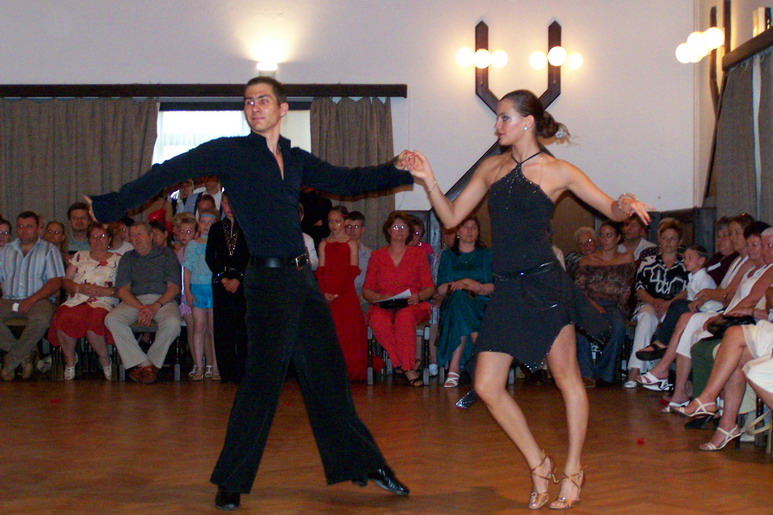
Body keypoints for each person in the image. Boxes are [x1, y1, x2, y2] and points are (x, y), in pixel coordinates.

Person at [85, 76, 413, 510]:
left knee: (329, 378)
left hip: (303, 281)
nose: (254, 107)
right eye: (248, 101)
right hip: (268, 282)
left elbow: (348, 181)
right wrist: (112, 204)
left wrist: (398, 168)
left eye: (263, 100)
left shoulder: (295, 159)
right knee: (261, 381)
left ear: (282, 109)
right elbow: (169, 171)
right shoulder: (231, 152)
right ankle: (232, 480)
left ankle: (364, 463)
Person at [407, 88, 652, 509]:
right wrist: (428, 179)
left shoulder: (558, 171)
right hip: (507, 289)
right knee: (486, 384)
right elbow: (450, 217)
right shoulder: (491, 168)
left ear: (528, 122)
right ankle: (539, 462)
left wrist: (626, 201)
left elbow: (611, 209)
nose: (497, 125)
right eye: (497, 117)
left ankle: (573, 469)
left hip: (546, 287)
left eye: (504, 117)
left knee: (567, 378)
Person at [362, 211, 435, 387]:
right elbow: (367, 290)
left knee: (405, 316)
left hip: (412, 305)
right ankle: (403, 363)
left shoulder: (418, 255)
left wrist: (418, 296)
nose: (400, 230)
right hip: (385, 304)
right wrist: (380, 297)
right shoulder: (377, 256)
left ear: (409, 231)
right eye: (396, 227)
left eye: (404, 227)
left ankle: (407, 368)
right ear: (388, 230)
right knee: (378, 320)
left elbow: (429, 287)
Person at [103, 222, 182, 384]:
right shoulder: (127, 258)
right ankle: (145, 364)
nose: (136, 238)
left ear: (151, 236)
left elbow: (174, 288)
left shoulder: (167, 255)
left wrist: (155, 306)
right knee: (112, 319)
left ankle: (146, 364)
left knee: (173, 323)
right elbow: (123, 290)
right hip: (135, 301)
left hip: (162, 300)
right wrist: (142, 308)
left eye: (140, 234)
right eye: (132, 235)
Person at [47, 223, 120, 380]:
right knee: (63, 315)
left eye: (102, 236)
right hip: (78, 298)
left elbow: (125, 287)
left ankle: (104, 359)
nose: (98, 240)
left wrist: (105, 291)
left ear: (109, 239)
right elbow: (65, 281)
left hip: (104, 300)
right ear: (88, 239)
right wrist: (78, 287)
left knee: (95, 319)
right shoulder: (80, 256)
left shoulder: (118, 259)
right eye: (94, 237)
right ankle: (70, 360)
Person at [0, 211, 65, 381]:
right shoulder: (6, 250)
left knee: (41, 320)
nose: (24, 230)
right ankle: (26, 354)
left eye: (29, 226)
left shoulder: (49, 250)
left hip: (39, 300)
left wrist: (32, 299)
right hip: (9, 299)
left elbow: (55, 282)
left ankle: (11, 361)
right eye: (20, 226)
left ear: (37, 229)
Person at [624, 219, 688, 388]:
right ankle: (635, 371)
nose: (668, 242)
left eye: (673, 238)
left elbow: (688, 289)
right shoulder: (648, 261)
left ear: (679, 241)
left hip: (674, 306)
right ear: (659, 239)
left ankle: (660, 371)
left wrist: (669, 303)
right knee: (646, 317)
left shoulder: (685, 264)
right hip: (649, 302)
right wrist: (654, 301)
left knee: (672, 318)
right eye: (665, 238)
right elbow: (639, 288)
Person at [574, 221, 636, 386]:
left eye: (609, 235)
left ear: (618, 238)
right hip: (589, 303)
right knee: (579, 327)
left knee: (618, 326)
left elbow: (626, 288)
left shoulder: (626, 258)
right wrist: (592, 305)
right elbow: (579, 289)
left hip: (614, 304)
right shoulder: (587, 260)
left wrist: (620, 309)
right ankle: (586, 374)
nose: (604, 239)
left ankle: (605, 374)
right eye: (601, 235)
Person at [435, 215, 493, 388]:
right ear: (458, 231)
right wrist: (461, 284)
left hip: (481, 303)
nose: (469, 231)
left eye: (474, 228)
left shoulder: (486, 255)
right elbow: (441, 288)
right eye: (465, 227)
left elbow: (494, 286)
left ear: (478, 232)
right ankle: (480, 347)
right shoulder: (448, 256)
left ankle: (454, 368)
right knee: (459, 298)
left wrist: (475, 287)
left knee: (460, 309)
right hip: (453, 303)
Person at [316, 205, 368, 381]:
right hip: (328, 293)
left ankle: (348, 367)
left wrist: (338, 292)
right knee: (330, 331)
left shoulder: (351, 243)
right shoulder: (323, 243)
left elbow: (353, 270)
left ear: (345, 222)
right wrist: (325, 291)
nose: (333, 225)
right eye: (330, 221)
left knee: (347, 332)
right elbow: (321, 270)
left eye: (337, 221)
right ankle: (330, 368)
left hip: (345, 293)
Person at [206, 192, 249, 384]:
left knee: (242, 326)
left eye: (232, 202)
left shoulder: (248, 226)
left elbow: (251, 256)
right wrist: (223, 277)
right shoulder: (216, 228)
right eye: (225, 202)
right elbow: (210, 256)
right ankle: (226, 371)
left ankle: (244, 370)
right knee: (223, 327)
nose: (229, 207)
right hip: (221, 281)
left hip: (242, 282)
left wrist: (238, 278)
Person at [183, 209, 219, 381]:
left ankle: (216, 366)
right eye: (203, 222)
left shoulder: (218, 244)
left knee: (213, 329)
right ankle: (199, 366)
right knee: (199, 327)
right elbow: (187, 270)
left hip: (213, 290)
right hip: (197, 290)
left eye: (210, 223)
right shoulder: (193, 245)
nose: (206, 226)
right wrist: (188, 291)